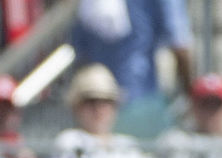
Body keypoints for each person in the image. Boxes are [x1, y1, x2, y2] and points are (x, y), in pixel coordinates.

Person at [70, 0, 193, 137]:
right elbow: (179, 44)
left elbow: (80, 52)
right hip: (142, 103)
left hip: (98, 105)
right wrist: (190, 96)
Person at [52, 63, 159, 158]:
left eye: (106, 101)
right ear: (76, 106)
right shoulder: (69, 141)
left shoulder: (129, 146)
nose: (99, 109)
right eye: (91, 101)